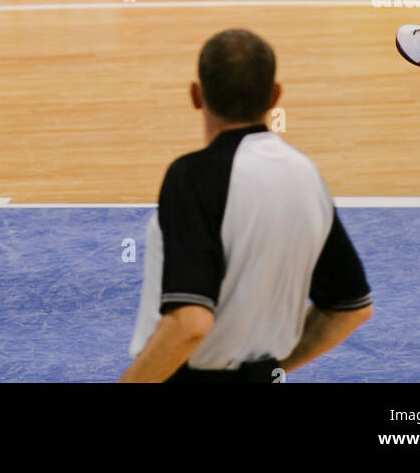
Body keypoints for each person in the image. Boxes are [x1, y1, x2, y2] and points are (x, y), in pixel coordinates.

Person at [120, 29, 372, 382]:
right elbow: (351, 308)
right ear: (275, 96)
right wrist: (267, 371)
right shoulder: (306, 176)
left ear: (196, 95)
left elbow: (190, 323)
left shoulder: (191, 177)